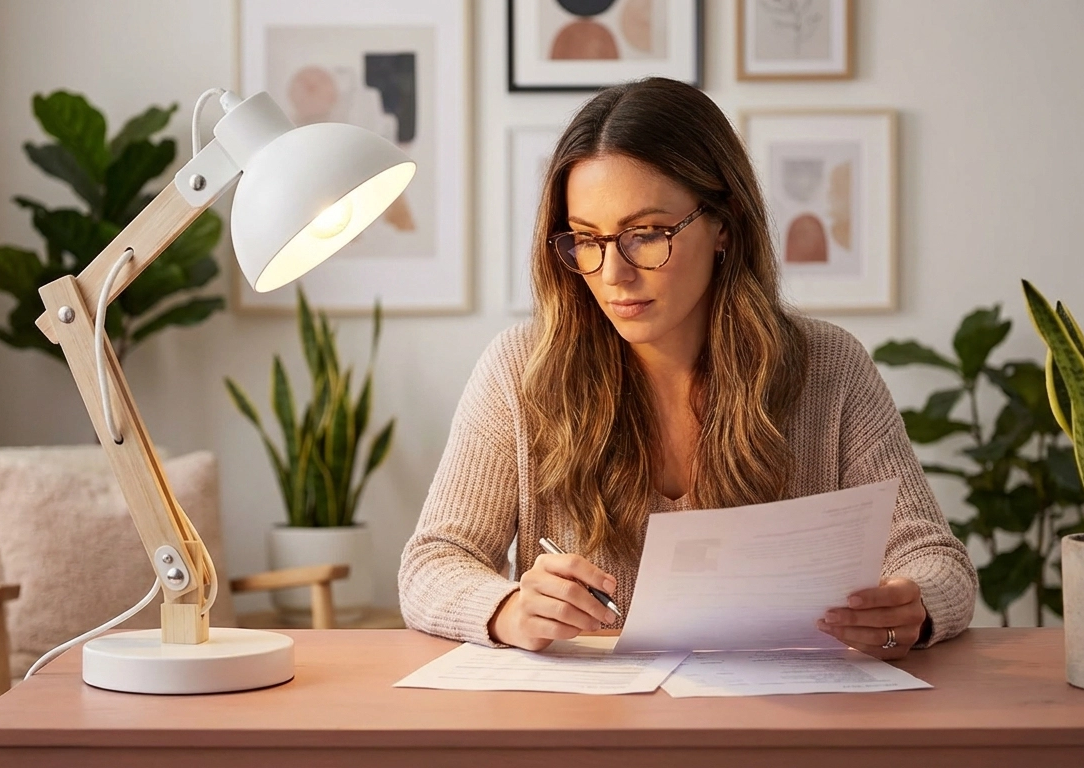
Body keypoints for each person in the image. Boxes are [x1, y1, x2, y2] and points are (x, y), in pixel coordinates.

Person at [398, 77, 976, 659]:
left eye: (645, 235)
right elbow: (433, 562)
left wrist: (912, 607)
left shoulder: (830, 368)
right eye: (587, 239)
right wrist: (505, 610)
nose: (613, 273)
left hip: (778, 726)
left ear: (724, 224)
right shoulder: (520, 371)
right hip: (587, 729)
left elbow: (936, 561)